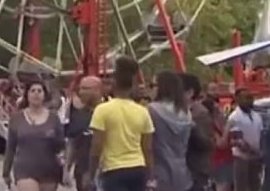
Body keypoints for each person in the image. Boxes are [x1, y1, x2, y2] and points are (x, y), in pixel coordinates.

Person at [90, 57, 154, 191]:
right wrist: (150, 175)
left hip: (114, 169)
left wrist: (91, 173)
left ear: (114, 85)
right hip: (138, 167)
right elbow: (147, 147)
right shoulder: (143, 111)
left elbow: (97, 146)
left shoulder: (102, 110)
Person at [2, 81, 64, 191]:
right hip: (25, 169)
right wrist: (6, 171)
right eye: (33, 91)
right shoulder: (17, 118)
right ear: (27, 95)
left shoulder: (53, 118)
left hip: (49, 169)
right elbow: (10, 147)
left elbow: (61, 146)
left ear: (44, 95)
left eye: (40, 91)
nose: (36, 94)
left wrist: (64, 167)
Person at [148, 71, 193, 191]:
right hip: (182, 173)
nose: (149, 89)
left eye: (152, 85)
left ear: (162, 87)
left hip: (159, 173)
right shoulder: (186, 112)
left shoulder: (151, 110)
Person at [64, 76, 102, 191]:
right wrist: (67, 168)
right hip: (82, 170)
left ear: (97, 90)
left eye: (85, 89)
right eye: (80, 88)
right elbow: (73, 142)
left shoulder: (110, 111)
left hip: (105, 172)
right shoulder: (77, 114)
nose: (81, 92)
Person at [182, 74, 214, 191]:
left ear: (190, 92)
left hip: (196, 172)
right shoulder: (182, 112)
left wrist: (191, 127)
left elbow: (207, 143)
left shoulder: (199, 113)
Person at [227, 88, 263, 191]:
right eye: (246, 97)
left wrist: (260, 151)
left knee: (256, 186)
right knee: (241, 187)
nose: (250, 100)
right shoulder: (234, 117)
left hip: (256, 157)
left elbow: (261, 134)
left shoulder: (256, 116)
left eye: (251, 97)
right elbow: (236, 139)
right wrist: (251, 150)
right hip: (241, 158)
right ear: (237, 99)